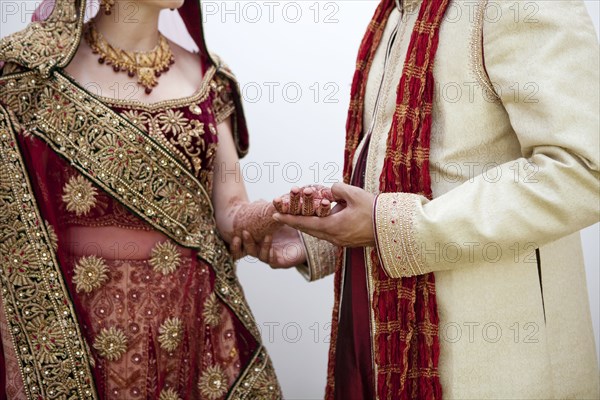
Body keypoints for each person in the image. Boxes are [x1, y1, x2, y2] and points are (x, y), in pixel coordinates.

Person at [237, 0, 600, 398]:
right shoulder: (396, 12)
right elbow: (396, 179)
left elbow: (583, 169)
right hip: (378, 344)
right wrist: (317, 237)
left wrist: (393, 226)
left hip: (493, 362)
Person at [0, 0, 283, 398]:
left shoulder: (208, 79)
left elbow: (231, 207)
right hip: (77, 335)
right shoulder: (28, 76)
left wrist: (272, 215)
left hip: (192, 327)